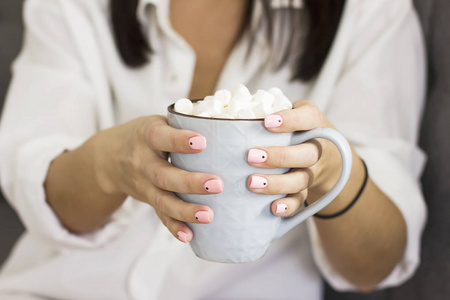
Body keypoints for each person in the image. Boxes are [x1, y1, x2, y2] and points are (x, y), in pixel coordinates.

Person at [0, 0, 427, 299]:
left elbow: (375, 266)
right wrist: (109, 164)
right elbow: (44, 195)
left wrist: (334, 173)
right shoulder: (72, 7)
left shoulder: (371, 12)